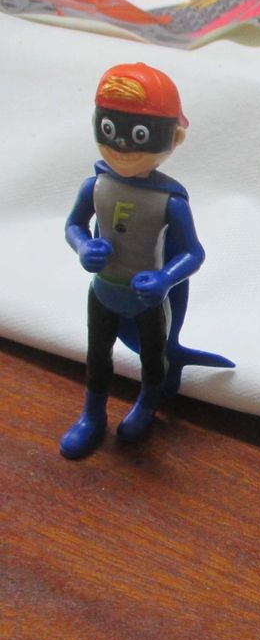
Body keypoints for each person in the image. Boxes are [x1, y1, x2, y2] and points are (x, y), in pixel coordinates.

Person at [60, 62, 232, 459]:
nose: (122, 144)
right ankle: (92, 415)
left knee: (153, 358)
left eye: (139, 133)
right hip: (104, 291)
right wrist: (83, 247)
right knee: (97, 356)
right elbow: (73, 225)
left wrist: (164, 278)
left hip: (147, 299)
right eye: (109, 127)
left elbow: (193, 253)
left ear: (175, 137)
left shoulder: (170, 201)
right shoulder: (96, 185)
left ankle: (147, 403)